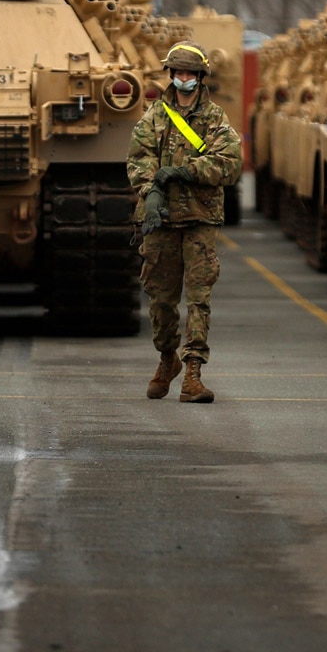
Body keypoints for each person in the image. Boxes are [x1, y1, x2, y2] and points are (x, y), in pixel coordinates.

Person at [126, 40, 243, 402]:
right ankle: (167, 359)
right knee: (160, 300)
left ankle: (193, 372)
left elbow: (230, 163)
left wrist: (185, 171)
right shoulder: (154, 116)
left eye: (190, 73)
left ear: (201, 76)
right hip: (161, 220)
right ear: (171, 75)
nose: (184, 79)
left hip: (199, 220)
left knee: (198, 299)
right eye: (178, 73)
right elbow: (138, 158)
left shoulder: (214, 118)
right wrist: (151, 189)